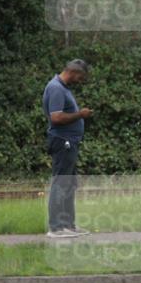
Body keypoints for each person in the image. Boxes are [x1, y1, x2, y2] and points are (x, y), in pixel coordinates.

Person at [42, 59, 93, 238]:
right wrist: (80, 114)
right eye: (81, 76)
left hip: (69, 142)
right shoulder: (56, 88)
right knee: (61, 183)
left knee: (69, 184)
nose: (81, 80)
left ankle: (68, 225)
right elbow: (56, 118)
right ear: (73, 72)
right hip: (63, 141)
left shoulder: (63, 88)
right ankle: (55, 228)